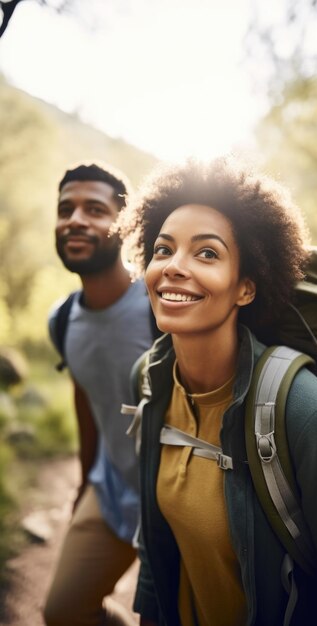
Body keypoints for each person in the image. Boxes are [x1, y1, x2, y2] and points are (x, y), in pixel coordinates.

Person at [117, 157, 317, 626]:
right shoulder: (149, 379)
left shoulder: (309, 416)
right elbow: (156, 550)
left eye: (206, 253)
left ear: (245, 288)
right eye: (163, 250)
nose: (174, 267)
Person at [44, 162, 154, 626]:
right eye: (66, 209)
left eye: (94, 209)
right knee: (64, 612)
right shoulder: (62, 319)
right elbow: (88, 401)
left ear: (123, 224)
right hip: (109, 491)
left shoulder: (160, 303)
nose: (76, 219)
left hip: (176, 505)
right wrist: (84, 482)